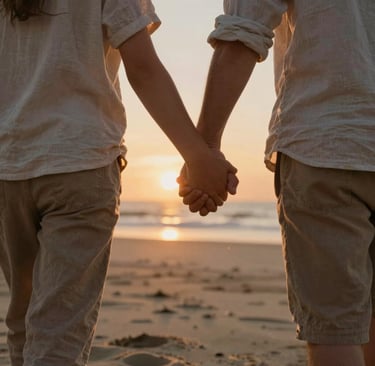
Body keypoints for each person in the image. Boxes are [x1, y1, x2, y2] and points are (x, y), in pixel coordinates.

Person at [0, 1, 238, 365]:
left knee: (24, 314)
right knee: (57, 327)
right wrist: (199, 156)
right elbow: (142, 69)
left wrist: (200, 156)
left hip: (7, 169)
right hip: (80, 164)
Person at [179, 1, 375, 365]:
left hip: (326, 144)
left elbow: (243, 32)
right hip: (332, 143)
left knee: (335, 329)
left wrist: (204, 147)